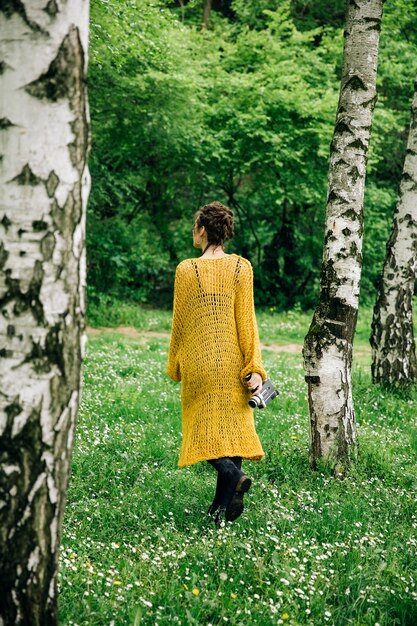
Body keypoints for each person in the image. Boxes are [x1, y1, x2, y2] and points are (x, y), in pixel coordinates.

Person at [166, 201, 267, 526]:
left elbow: (179, 325)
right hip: (234, 362)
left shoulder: (186, 270)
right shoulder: (241, 267)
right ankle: (225, 494)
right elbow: (246, 322)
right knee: (232, 434)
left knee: (200, 431)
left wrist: (175, 364)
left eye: (195, 226)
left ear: (203, 229)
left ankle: (220, 504)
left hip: (199, 365)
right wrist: (253, 367)